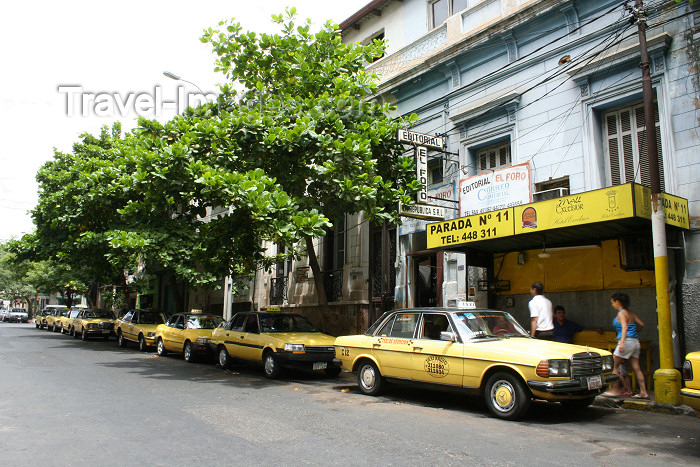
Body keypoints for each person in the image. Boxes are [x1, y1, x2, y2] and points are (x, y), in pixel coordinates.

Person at [602, 292, 649, 399]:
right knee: (637, 368)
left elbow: (625, 327)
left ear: (617, 301)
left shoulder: (621, 313)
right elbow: (641, 324)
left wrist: (622, 342)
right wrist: (635, 332)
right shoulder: (631, 314)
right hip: (635, 342)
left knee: (613, 366)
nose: (612, 305)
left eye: (612, 302)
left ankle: (615, 389)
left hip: (626, 341)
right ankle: (643, 392)